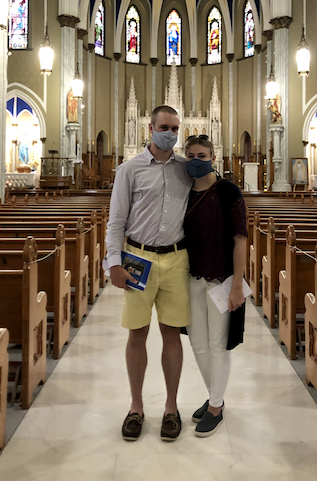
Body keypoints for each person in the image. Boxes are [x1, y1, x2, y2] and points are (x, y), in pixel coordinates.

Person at [105, 105, 192, 442]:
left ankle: (171, 407)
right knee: (137, 334)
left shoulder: (187, 170)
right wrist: (113, 263)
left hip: (175, 259)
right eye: (164, 127)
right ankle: (136, 407)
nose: (170, 133)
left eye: (175, 128)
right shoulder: (130, 169)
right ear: (150, 127)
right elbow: (116, 221)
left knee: (172, 334)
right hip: (137, 258)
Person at [183, 135, 248, 437]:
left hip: (221, 279)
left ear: (212, 156)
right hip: (189, 278)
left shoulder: (228, 191)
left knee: (217, 344)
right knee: (197, 343)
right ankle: (215, 398)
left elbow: (240, 238)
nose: (196, 160)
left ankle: (216, 406)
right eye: (191, 155)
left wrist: (237, 283)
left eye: (202, 155)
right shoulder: (183, 192)